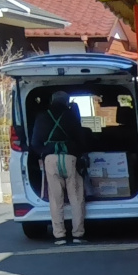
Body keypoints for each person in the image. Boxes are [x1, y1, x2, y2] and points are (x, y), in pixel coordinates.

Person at [29, 88, 89, 244]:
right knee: (76, 198)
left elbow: (34, 143)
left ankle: (59, 236)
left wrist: (44, 153)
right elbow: (82, 140)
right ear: (67, 102)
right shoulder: (71, 116)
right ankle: (78, 235)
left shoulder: (42, 117)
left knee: (56, 199)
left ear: (52, 101)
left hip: (50, 160)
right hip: (70, 158)